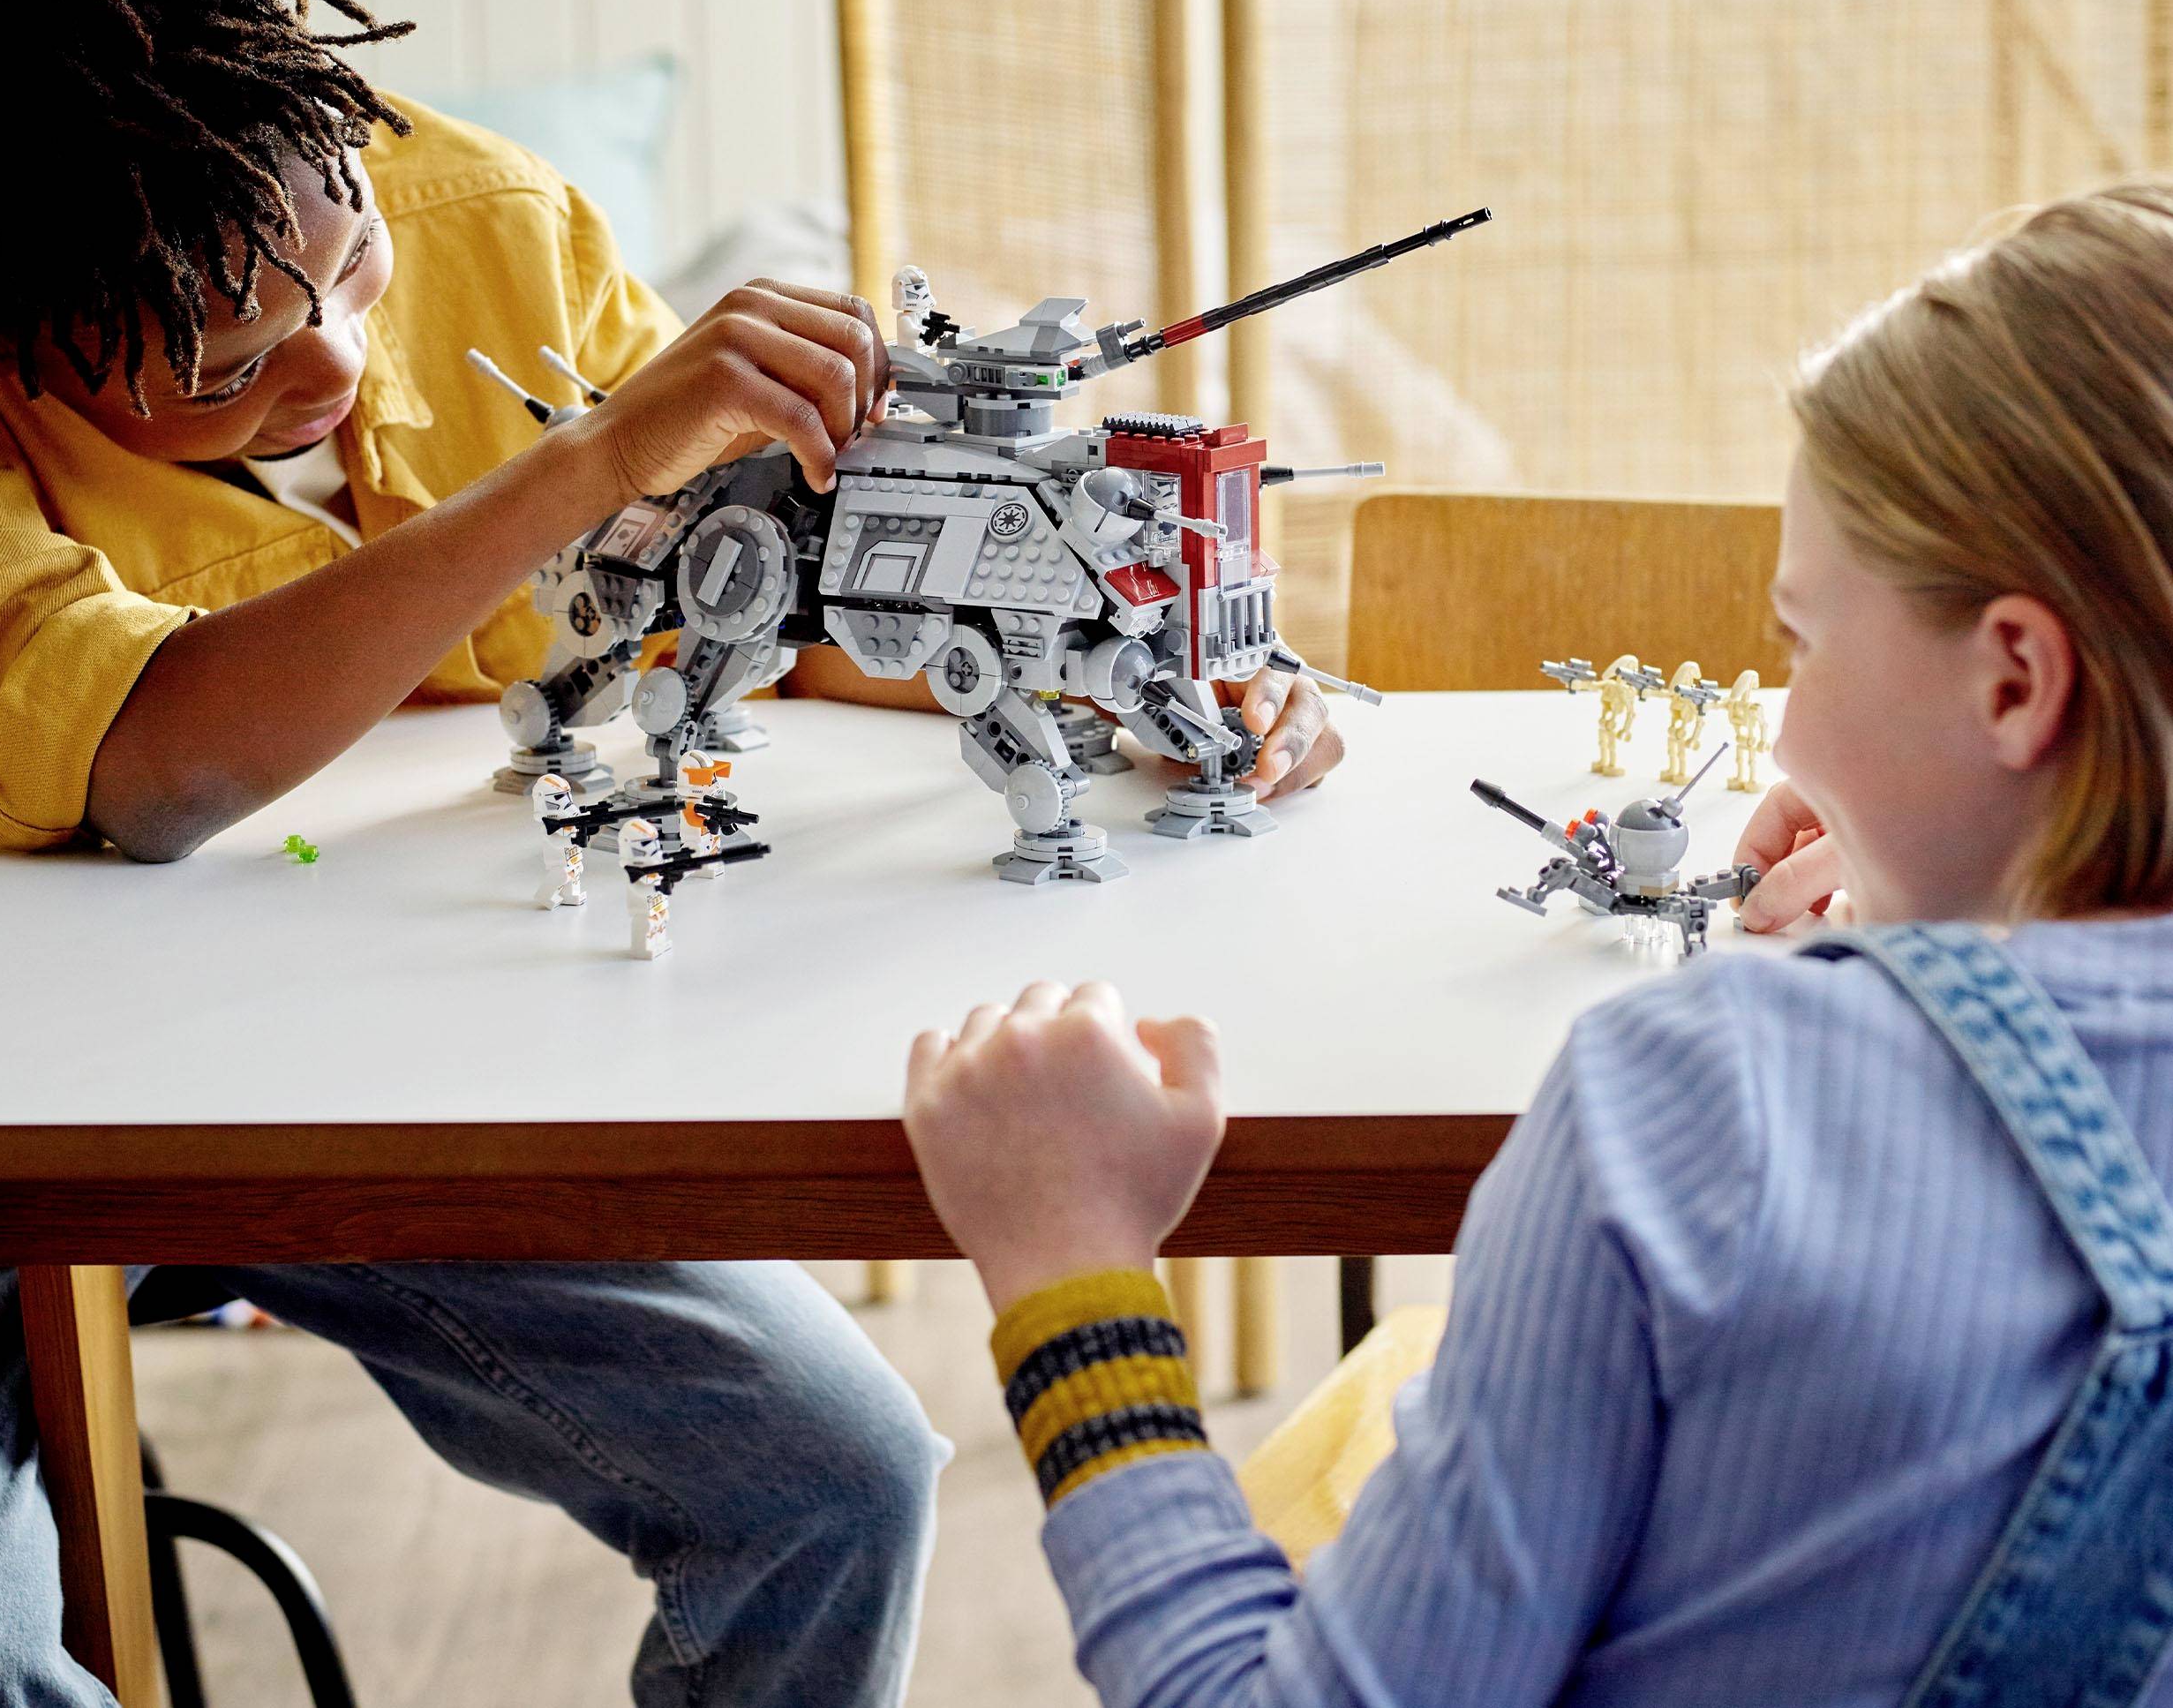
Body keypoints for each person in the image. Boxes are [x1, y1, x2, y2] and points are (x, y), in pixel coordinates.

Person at [0, 0, 1341, 1704]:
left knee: (831, 1473)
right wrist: (593, 460)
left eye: (346, 265)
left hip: (386, 1058)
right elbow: (154, 772)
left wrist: (1121, 686)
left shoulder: (484, 213)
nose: (337, 372)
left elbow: (744, 603)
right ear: (2, 350)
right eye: (226, 367)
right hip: (10, 1109)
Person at [905, 183, 2173, 1704]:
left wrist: (1070, 1265)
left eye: (1805, 643)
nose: (1791, 722)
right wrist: (1980, 856)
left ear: (2018, 683)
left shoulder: (1700, 1102)